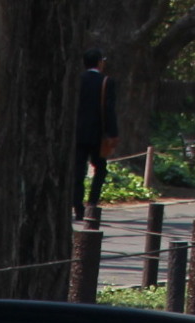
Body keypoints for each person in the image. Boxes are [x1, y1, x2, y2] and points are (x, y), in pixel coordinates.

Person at [73, 48, 116, 222]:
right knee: (100, 169)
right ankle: (92, 203)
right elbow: (109, 110)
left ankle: (77, 206)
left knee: (78, 171)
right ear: (99, 62)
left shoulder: (77, 80)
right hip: (98, 134)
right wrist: (113, 133)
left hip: (78, 133)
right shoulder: (106, 82)